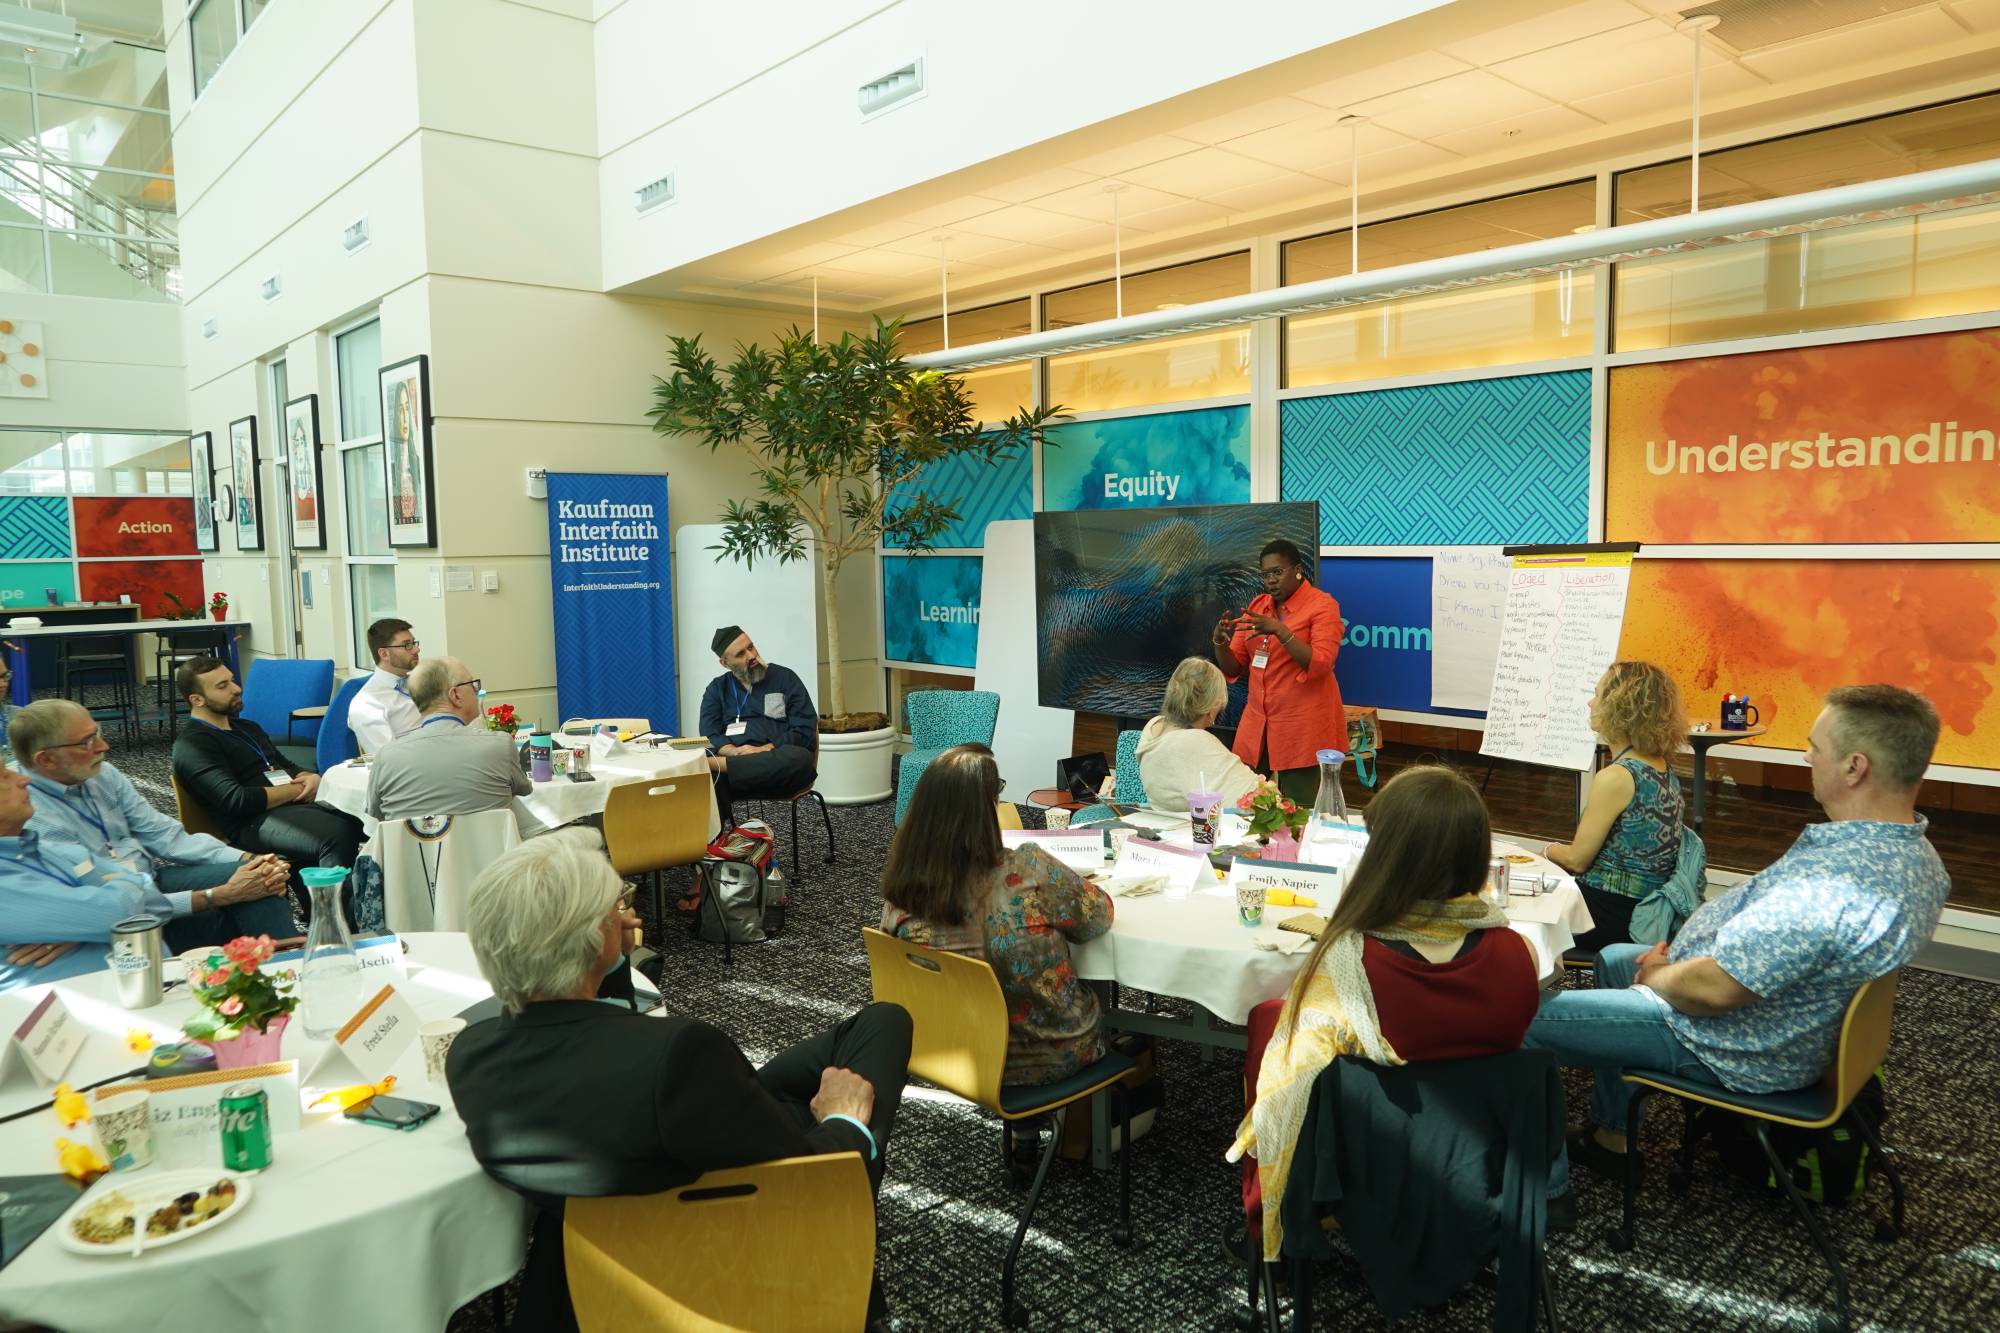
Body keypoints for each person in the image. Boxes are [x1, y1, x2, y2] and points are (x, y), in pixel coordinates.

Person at [448, 829, 912, 1333]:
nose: (627, 914)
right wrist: (845, 1122)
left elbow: (597, 1035)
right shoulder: (678, 1055)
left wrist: (611, 963)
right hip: (712, 1230)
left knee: (881, 1021)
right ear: (594, 938)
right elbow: (802, 1178)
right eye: (615, 908)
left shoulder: (470, 1057)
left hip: (627, 1182)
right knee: (881, 1041)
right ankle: (848, 1277)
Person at [1525, 685, 1950, 1202]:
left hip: (1727, 1039)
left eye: (1815, 747)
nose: (1807, 757)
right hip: (1780, 1023)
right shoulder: (1917, 858)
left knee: (1515, 1021)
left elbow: (1716, 989)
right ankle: (1613, 1137)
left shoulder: (1833, 886)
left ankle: (1545, 1193)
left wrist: (1659, 975)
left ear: (1854, 767)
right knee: (1615, 958)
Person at [1228, 765, 1540, 1256]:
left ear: (1386, 856)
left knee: (1272, 1024)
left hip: (1373, 1164)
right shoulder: (1521, 954)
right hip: (1484, 1160)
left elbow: (1296, 1085)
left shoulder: (1352, 965)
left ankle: (1272, 1227)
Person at [880, 743, 1113, 1086]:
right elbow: (1098, 917)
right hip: (1050, 1055)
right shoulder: (1028, 870)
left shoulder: (902, 894)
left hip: (952, 1054)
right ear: (987, 807)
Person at [0, 763, 297, 993]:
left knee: (260, 876)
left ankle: (289, 972)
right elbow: (119, 911)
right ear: (47, 759)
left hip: (148, 969)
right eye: (4, 777)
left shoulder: (42, 848)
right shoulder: (37, 837)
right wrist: (99, 914)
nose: (21, 780)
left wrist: (81, 924)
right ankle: (285, 975)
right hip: (82, 1005)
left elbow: (154, 860)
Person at [14, 697, 294, 931]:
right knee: (248, 891)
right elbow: (105, 905)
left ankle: (283, 965)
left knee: (260, 876)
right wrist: (215, 896)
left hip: (150, 878)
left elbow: (163, 834)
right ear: (46, 760)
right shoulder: (28, 814)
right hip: (112, 913)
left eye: (97, 733)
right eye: (87, 742)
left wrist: (248, 858)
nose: (103, 746)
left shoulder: (101, 774)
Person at [171, 656, 365, 916]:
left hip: (288, 809)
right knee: (336, 832)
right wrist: (296, 790)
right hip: (249, 823)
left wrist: (309, 777)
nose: (236, 688)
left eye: (232, 680)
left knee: (358, 816)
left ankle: (333, 909)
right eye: (222, 686)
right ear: (197, 699)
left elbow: (286, 765)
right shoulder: (193, 745)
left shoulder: (246, 727)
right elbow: (235, 800)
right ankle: (337, 920)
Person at [1543, 661, 1689, 951]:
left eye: (1597, 695)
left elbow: (1577, 861)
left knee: (1517, 909)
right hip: (1645, 912)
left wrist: (1547, 851)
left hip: (1607, 915)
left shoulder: (1617, 777)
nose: (1590, 703)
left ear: (1622, 708)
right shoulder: (1662, 769)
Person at [1213, 539, 1346, 806]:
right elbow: (1234, 667)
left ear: (1297, 570)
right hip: (1257, 726)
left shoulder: (1322, 605)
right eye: (1265, 574)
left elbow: (1321, 663)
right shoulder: (1258, 606)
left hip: (1303, 727)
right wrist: (1219, 643)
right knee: (1247, 805)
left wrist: (1281, 631)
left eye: (1277, 572)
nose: (1271, 580)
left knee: (1298, 809)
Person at [364, 657, 529, 824]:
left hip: (414, 842)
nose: (476, 690)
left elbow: (376, 816)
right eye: (472, 684)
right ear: (455, 695)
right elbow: (525, 792)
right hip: (490, 841)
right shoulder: (500, 746)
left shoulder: (386, 757)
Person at [698, 626, 817, 822]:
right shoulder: (717, 689)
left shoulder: (785, 678)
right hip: (734, 778)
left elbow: (805, 729)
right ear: (725, 663)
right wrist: (731, 751)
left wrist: (764, 749)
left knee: (800, 758)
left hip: (778, 770)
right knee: (705, 778)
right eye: (740, 654)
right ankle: (719, 839)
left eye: (751, 647)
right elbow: (709, 733)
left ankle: (718, 765)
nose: (751, 655)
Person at [1136, 657, 1260, 814]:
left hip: (1162, 820)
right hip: (1194, 826)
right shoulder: (1195, 742)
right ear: (1213, 705)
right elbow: (1252, 798)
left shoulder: (1154, 726)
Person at [347, 618, 422, 754]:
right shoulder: (367, 704)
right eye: (407, 645)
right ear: (384, 654)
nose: (416, 649)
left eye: (413, 643)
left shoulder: (422, 683)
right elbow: (389, 758)